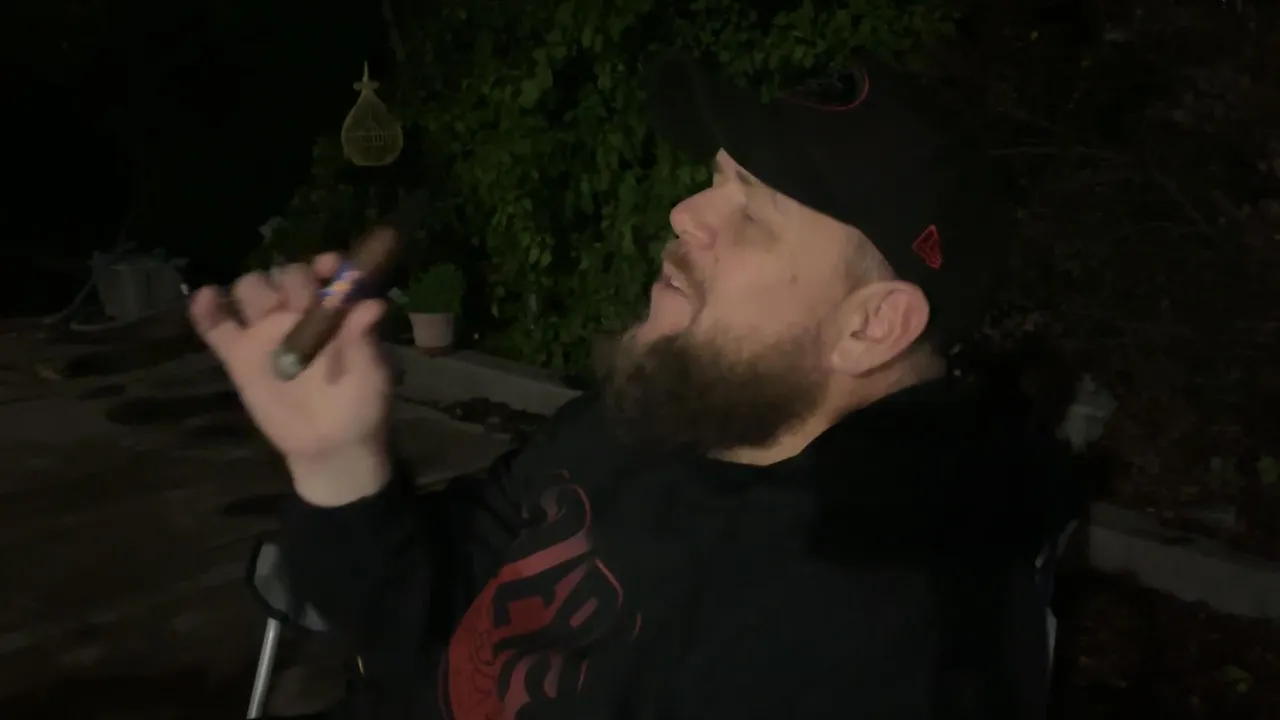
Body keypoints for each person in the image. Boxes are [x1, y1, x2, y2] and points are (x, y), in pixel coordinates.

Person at [191, 54, 1082, 719]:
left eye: (752, 211)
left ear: (871, 326)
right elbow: (416, 611)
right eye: (715, 181)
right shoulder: (664, 415)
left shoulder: (890, 638)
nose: (685, 214)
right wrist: (337, 460)